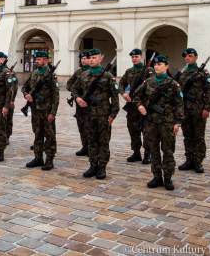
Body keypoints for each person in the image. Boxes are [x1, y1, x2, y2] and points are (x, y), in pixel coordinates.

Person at [133, 54, 184, 191]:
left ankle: (167, 178)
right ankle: (157, 176)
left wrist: (178, 122)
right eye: (155, 64)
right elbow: (136, 96)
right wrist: (140, 106)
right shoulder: (148, 82)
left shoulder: (173, 84)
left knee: (167, 151)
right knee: (153, 150)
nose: (157, 66)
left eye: (160, 64)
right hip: (151, 123)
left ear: (166, 66)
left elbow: (179, 104)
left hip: (167, 123)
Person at [76, 49, 119, 180]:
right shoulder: (84, 75)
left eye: (95, 57)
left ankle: (102, 168)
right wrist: (78, 98)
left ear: (101, 59)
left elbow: (115, 98)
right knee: (91, 142)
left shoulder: (108, 76)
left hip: (103, 115)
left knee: (103, 142)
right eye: (90, 58)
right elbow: (74, 88)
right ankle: (93, 165)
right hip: (88, 115)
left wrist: (112, 115)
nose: (92, 60)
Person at [176, 48, 210, 174]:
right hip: (185, 109)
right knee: (187, 136)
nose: (187, 58)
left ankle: (198, 161)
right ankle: (189, 160)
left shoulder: (203, 73)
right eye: (186, 56)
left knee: (199, 136)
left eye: (190, 56)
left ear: (196, 57)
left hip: (198, 109)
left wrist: (207, 108)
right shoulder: (182, 73)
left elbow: (209, 91)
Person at [22, 50, 59, 171]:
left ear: (46, 60)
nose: (36, 61)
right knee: (37, 134)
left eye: (38, 59)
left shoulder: (51, 75)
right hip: (35, 110)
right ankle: (38, 158)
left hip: (47, 110)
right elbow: (24, 87)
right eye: (36, 59)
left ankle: (49, 159)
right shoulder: (34, 73)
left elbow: (56, 96)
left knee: (50, 136)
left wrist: (53, 112)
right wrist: (26, 94)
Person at [119, 49, 154, 164]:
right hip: (132, 106)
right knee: (133, 130)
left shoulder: (149, 70)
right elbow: (121, 83)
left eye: (137, 56)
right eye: (133, 57)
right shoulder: (129, 71)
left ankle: (147, 154)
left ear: (141, 57)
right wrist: (123, 93)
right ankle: (136, 153)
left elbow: (153, 85)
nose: (134, 58)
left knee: (146, 130)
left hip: (144, 106)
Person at [66, 51, 91, 156]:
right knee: (81, 125)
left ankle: (91, 148)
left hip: (90, 104)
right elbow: (69, 84)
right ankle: (84, 146)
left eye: (85, 58)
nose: (83, 60)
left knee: (90, 126)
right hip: (79, 103)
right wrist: (76, 93)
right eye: (82, 58)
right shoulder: (78, 72)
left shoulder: (94, 71)